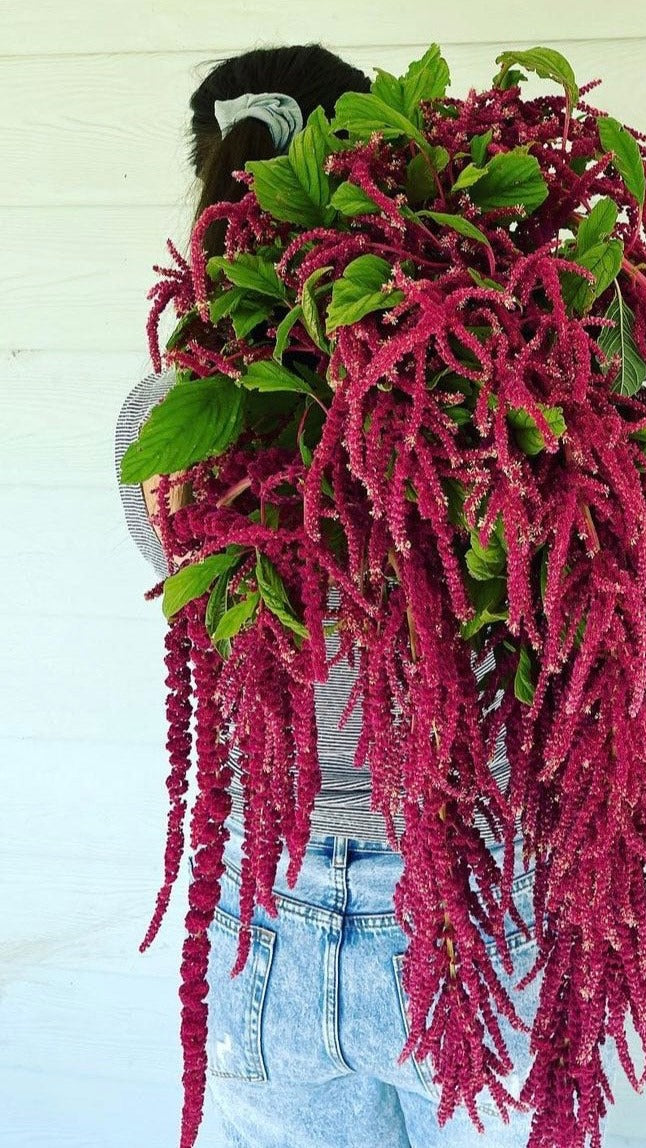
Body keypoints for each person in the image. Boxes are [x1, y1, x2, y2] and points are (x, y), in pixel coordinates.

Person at [113, 44, 540, 1148]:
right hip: (467, 899)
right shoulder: (494, 385)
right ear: (383, 171)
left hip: (266, 900)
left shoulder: (160, 421)